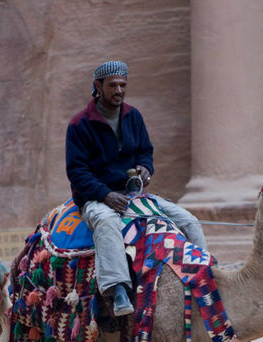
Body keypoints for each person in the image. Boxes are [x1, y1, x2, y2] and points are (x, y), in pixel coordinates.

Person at [66, 59, 206, 316]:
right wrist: (105, 195)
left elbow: (145, 151)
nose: (119, 90)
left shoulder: (133, 116)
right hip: (96, 197)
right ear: (98, 85)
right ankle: (118, 288)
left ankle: (205, 274)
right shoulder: (80, 124)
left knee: (188, 220)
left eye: (123, 85)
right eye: (112, 85)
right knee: (106, 223)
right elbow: (77, 172)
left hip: (133, 195)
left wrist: (144, 167)